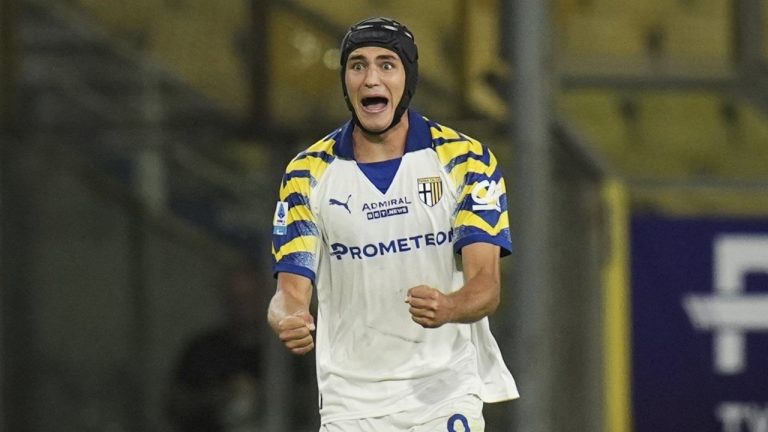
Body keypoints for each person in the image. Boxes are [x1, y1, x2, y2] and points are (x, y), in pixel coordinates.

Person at [268, 17, 519, 432]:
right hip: (351, 402)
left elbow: (486, 286)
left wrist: (449, 307)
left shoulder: (466, 160)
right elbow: (288, 293)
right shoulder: (307, 172)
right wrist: (289, 318)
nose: (370, 79)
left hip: (443, 390)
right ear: (345, 79)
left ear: (409, 77)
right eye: (357, 65)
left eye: (387, 64)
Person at [167, 266, 266, 432]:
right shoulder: (201, 351)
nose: (243, 308)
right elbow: (175, 405)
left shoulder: (285, 355)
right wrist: (217, 397)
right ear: (226, 300)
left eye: (250, 299)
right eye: (236, 299)